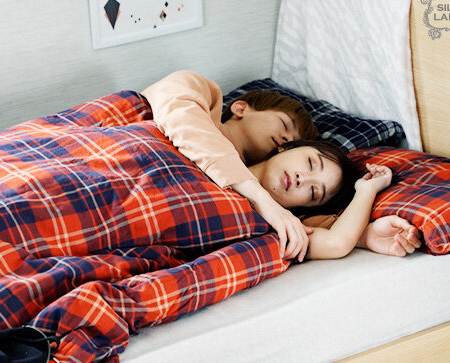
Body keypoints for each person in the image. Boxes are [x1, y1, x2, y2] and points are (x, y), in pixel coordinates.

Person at [142, 70, 319, 261]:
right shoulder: (201, 91)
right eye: (284, 124)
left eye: (292, 142)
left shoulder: (246, 194)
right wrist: (262, 199)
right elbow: (179, 115)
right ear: (241, 109)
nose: (286, 139)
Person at [246, 139, 422, 261]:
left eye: (313, 192)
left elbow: (337, 242)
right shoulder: (229, 150)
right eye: (310, 163)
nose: (302, 179)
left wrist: (366, 190)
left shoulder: (285, 229)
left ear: (303, 208)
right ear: (288, 146)